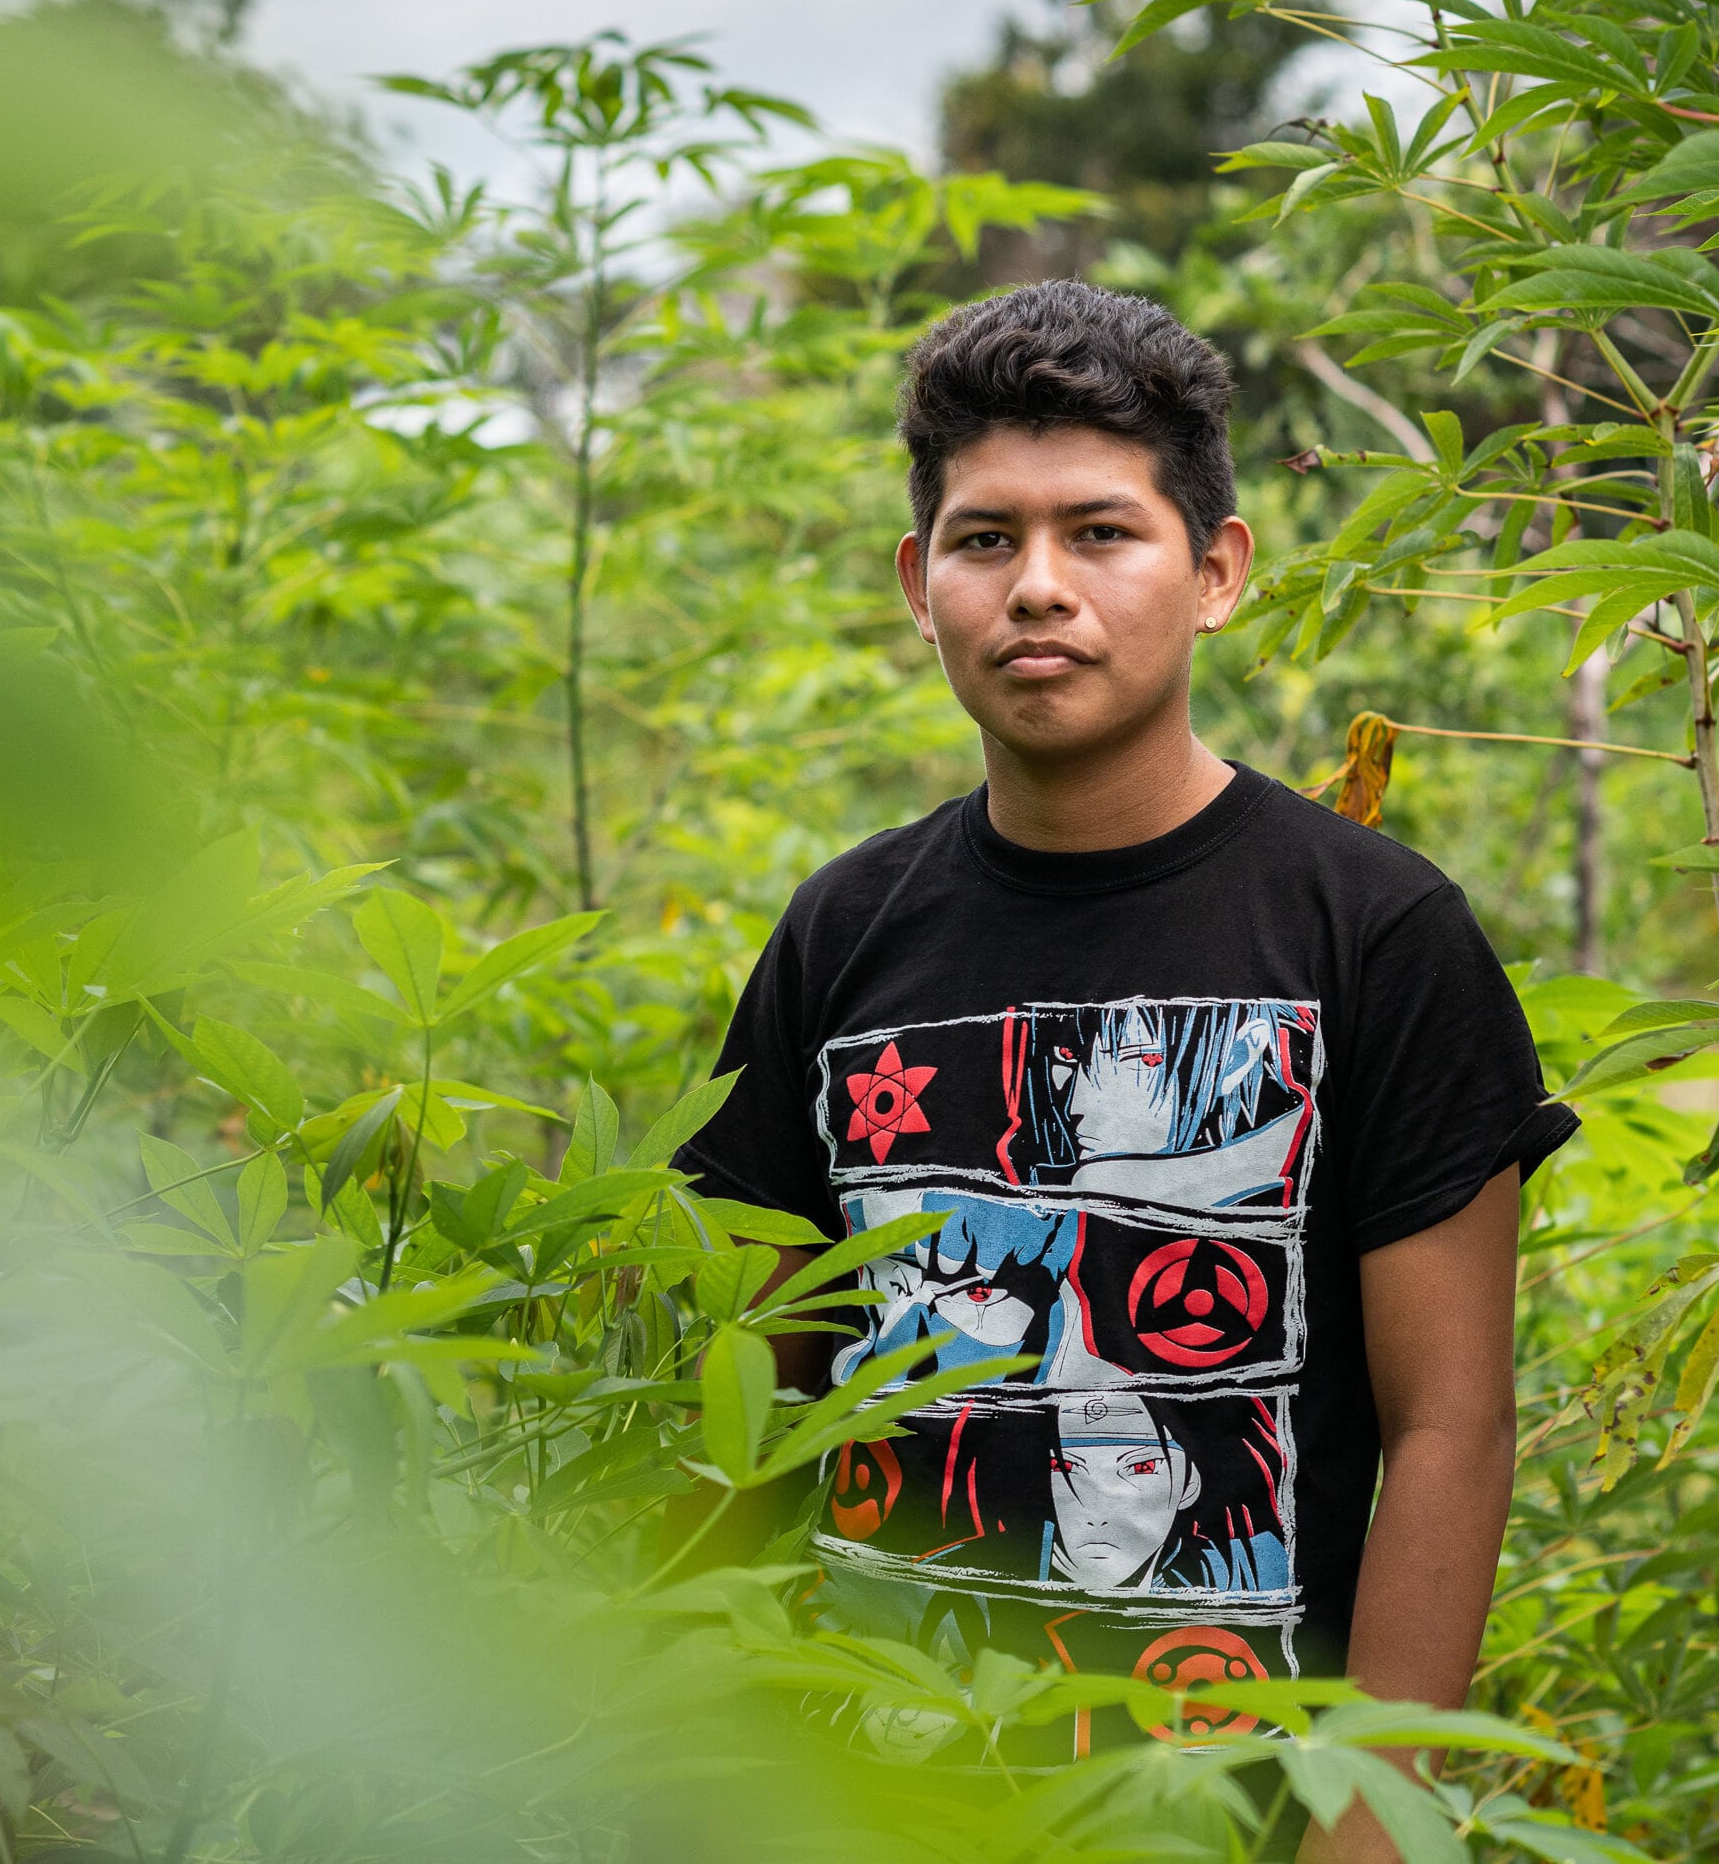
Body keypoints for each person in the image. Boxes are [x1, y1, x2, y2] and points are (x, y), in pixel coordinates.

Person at [672, 279, 1574, 1850]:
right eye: (985, 538)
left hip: (1228, 1801)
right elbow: (761, 1397)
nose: (1038, 587)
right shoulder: (845, 932)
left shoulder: (1371, 932)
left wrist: (1369, 1828)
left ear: (1217, 570)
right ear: (920, 582)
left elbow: (1452, 1427)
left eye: (1101, 532)